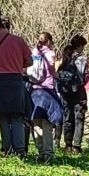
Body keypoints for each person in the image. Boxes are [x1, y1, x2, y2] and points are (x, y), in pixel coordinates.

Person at [0, 15, 33, 158]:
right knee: (17, 117)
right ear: (9, 25)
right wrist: (16, 63)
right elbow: (30, 62)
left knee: (2, 117)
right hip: (16, 82)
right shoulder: (19, 41)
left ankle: (7, 149)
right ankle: (20, 150)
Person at [27, 32, 61, 163]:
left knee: (36, 123)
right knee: (47, 124)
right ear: (48, 42)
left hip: (34, 91)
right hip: (48, 91)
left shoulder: (34, 52)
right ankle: (48, 154)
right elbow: (52, 71)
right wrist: (58, 75)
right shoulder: (50, 54)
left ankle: (40, 153)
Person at [58, 35, 88, 154]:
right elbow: (85, 77)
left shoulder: (66, 56)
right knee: (79, 117)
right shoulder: (82, 59)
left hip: (65, 91)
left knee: (67, 117)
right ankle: (76, 145)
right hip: (78, 91)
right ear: (80, 46)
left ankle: (67, 144)